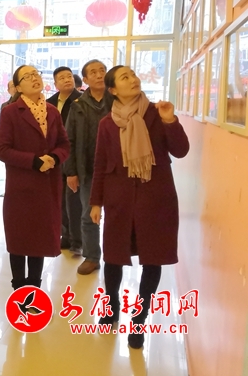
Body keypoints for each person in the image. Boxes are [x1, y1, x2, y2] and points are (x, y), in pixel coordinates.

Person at [90, 65, 189, 349]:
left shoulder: (157, 113)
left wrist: (170, 121)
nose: (133, 79)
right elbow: (100, 165)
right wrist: (96, 202)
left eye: (133, 74)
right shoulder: (107, 124)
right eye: (125, 77)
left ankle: (139, 319)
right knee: (113, 256)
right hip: (119, 199)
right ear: (113, 90)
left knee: (152, 258)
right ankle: (111, 307)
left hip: (155, 198)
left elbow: (181, 150)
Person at [0, 65, 70, 289]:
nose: (34, 78)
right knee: (19, 240)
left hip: (47, 186)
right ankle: (19, 288)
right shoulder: (10, 112)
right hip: (21, 187)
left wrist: (55, 157)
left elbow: (64, 144)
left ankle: (35, 288)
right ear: (18, 87)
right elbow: (2, 150)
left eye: (36, 74)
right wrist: (34, 161)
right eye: (27, 77)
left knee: (40, 240)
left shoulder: (52, 111)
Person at [64, 59, 113, 275]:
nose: (99, 75)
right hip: (88, 169)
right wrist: (71, 171)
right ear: (84, 79)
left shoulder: (116, 101)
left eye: (102, 70)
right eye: (93, 72)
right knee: (88, 215)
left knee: (116, 215)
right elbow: (69, 140)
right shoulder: (78, 106)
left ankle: (115, 256)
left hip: (115, 169)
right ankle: (92, 257)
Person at [46, 66, 82, 256]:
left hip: (74, 156)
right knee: (59, 199)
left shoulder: (81, 101)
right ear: (55, 84)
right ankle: (66, 235)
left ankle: (78, 240)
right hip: (55, 156)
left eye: (69, 76)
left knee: (74, 201)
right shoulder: (49, 103)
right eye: (62, 77)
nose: (67, 79)